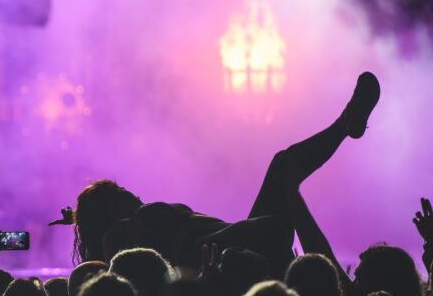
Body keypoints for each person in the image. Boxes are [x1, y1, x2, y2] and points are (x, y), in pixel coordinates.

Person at [69, 73, 380, 273]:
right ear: (112, 205)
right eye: (122, 192)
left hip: (246, 239)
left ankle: (346, 123)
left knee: (282, 164)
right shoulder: (125, 232)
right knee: (280, 184)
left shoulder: (137, 223)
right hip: (235, 251)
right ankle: (344, 125)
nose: (132, 192)